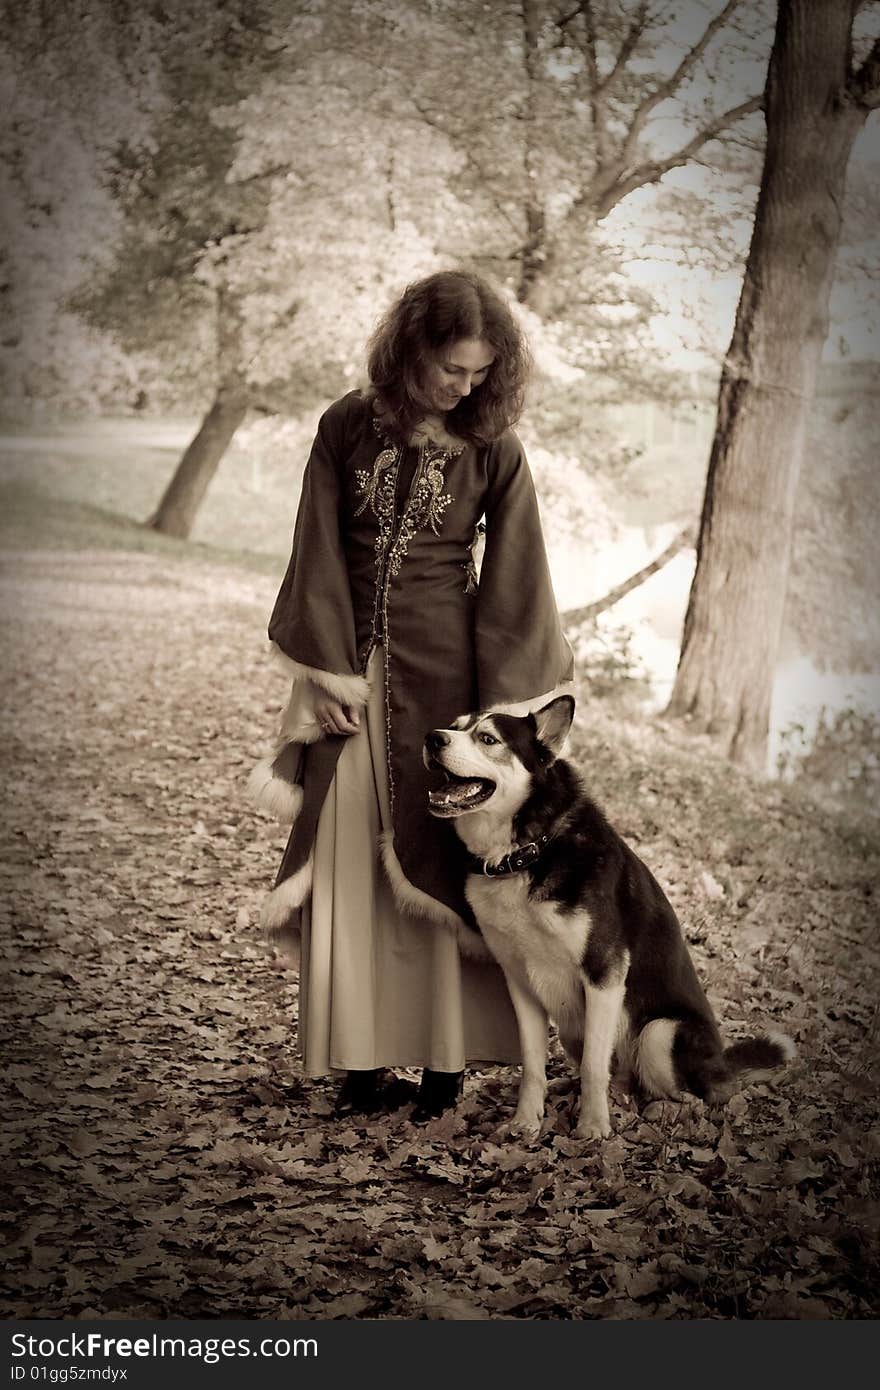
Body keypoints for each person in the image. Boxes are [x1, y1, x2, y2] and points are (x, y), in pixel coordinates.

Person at [249, 268, 573, 1121]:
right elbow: (315, 548)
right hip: (348, 672)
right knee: (353, 861)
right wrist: (320, 674)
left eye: (479, 373)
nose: (465, 387)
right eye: (449, 370)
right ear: (410, 350)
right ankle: (361, 1059)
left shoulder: (494, 446)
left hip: (449, 683)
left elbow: (517, 572)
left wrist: (499, 710)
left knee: (439, 859)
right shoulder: (345, 426)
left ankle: (444, 1066)